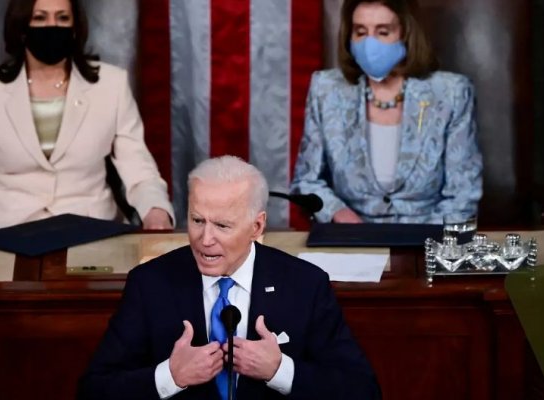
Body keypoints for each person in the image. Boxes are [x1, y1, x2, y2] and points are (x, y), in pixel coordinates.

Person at [77, 155, 379, 399]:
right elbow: (93, 390)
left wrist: (280, 370)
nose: (205, 239)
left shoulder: (304, 285)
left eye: (222, 226)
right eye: (197, 220)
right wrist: (170, 376)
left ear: (257, 227)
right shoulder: (150, 284)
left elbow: (363, 390)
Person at [0, 0, 174, 232]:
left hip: (89, 226)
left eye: (62, 18)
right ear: (22, 27)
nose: (52, 27)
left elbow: (140, 171)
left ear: (75, 27)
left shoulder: (112, 85)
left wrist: (156, 210)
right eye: (40, 18)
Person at [291, 0, 483, 224]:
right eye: (360, 32)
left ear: (406, 34)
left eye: (383, 32)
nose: (369, 44)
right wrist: (339, 215)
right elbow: (306, 181)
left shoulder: (451, 93)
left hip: (427, 236)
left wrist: (422, 239)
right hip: (352, 237)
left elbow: (463, 194)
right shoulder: (325, 89)